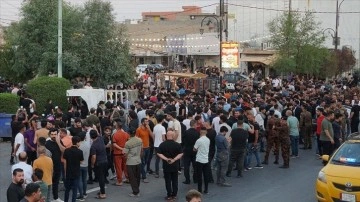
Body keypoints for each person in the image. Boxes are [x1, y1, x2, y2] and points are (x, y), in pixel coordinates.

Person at [157, 131, 183, 200]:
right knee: (175, 180)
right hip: (175, 166)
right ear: (173, 135)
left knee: (167, 181)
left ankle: (169, 195)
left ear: (166, 136)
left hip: (166, 166)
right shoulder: (177, 145)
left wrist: (166, 159)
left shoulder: (162, 144)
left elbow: (159, 153)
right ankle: (174, 194)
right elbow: (181, 153)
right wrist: (174, 159)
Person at [45, 128, 65, 202]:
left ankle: (56, 197)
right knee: (48, 183)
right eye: (52, 134)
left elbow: (64, 150)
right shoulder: (47, 144)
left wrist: (58, 142)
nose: (53, 136)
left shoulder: (59, 142)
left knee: (56, 182)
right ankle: (47, 199)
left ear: (57, 135)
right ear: (50, 135)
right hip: (50, 167)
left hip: (58, 166)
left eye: (55, 134)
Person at [63, 136, 83, 202]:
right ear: (77, 143)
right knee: (74, 190)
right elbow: (81, 161)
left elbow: (65, 162)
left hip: (68, 172)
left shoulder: (66, 150)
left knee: (67, 190)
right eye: (79, 142)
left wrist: (65, 172)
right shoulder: (80, 151)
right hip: (76, 173)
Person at [123, 130, 143, 197]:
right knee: (137, 177)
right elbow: (142, 150)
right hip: (138, 160)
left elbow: (125, 154)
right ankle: (137, 189)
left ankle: (135, 191)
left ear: (129, 133)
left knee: (132, 177)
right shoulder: (140, 140)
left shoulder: (128, 143)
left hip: (131, 162)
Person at [90, 130, 108, 199]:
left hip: (99, 163)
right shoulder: (100, 138)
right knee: (102, 176)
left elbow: (93, 157)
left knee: (101, 178)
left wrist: (92, 164)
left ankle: (103, 193)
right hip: (105, 161)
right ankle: (101, 191)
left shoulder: (93, 146)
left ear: (91, 136)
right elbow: (98, 133)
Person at [112, 121, 130, 186]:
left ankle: (119, 181)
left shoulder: (115, 135)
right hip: (125, 152)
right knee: (125, 166)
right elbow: (129, 142)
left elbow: (114, 144)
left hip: (117, 153)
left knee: (118, 168)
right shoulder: (126, 134)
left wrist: (121, 148)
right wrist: (125, 149)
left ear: (116, 126)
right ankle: (128, 178)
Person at [135, 118, 153, 183]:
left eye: (147, 121)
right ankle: (144, 176)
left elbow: (152, 136)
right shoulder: (138, 129)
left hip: (147, 147)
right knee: (142, 162)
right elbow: (136, 139)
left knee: (145, 162)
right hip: (141, 148)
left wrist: (149, 129)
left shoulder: (148, 129)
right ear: (142, 122)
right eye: (146, 121)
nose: (147, 123)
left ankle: (139, 172)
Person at [182, 120, 199, 184]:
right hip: (195, 151)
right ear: (194, 125)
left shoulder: (186, 132)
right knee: (195, 166)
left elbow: (183, 141)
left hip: (187, 150)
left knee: (186, 166)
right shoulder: (197, 133)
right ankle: (195, 179)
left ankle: (187, 179)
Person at [194, 127, 210, 194]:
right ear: (206, 132)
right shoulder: (208, 140)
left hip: (199, 159)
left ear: (200, 132)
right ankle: (206, 190)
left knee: (199, 176)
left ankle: (199, 190)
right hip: (206, 159)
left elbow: (194, 149)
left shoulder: (199, 140)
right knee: (206, 175)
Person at [77, 132, 90, 201]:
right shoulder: (88, 144)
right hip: (86, 164)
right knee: (84, 180)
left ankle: (81, 195)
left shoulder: (79, 146)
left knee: (79, 180)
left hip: (79, 165)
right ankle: (84, 193)